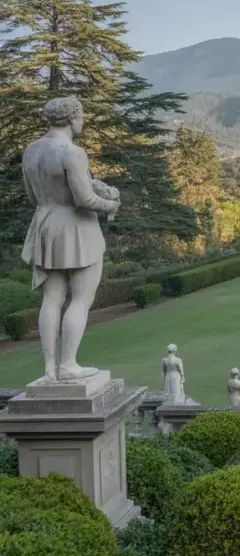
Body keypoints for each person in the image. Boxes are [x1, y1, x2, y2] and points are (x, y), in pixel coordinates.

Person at [21, 96, 120, 381]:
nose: (83, 121)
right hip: (76, 229)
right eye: (81, 115)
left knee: (51, 299)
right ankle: (68, 365)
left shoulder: (31, 150)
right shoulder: (72, 152)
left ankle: (49, 369)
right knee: (81, 298)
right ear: (71, 118)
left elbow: (32, 197)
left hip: (45, 225)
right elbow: (84, 199)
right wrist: (111, 205)